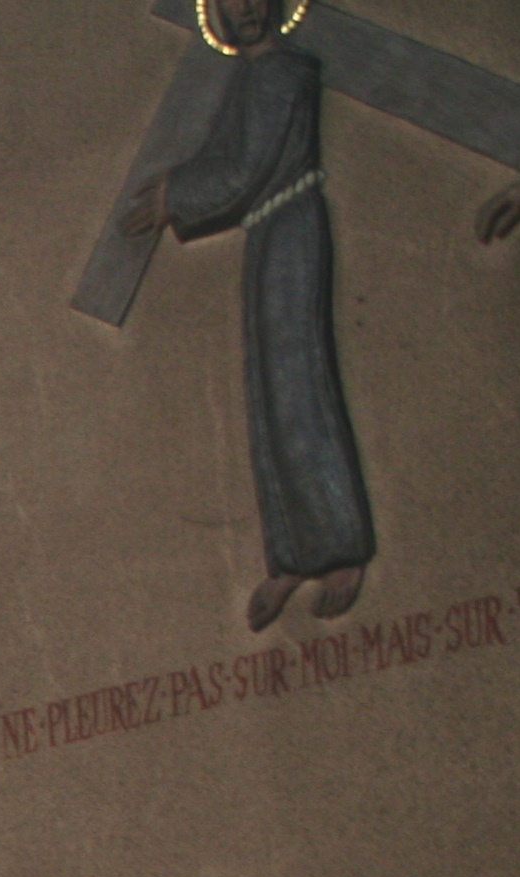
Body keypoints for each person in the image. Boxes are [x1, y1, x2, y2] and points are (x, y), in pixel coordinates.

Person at [121, 0, 370, 632]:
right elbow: (226, 156)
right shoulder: (247, 80)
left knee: (299, 386)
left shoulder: (285, 73)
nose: (249, 8)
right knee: (268, 394)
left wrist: (178, 195)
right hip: (270, 231)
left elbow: (247, 168)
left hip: (290, 226)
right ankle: (292, 554)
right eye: (234, 0)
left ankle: (340, 548)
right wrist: (182, 184)